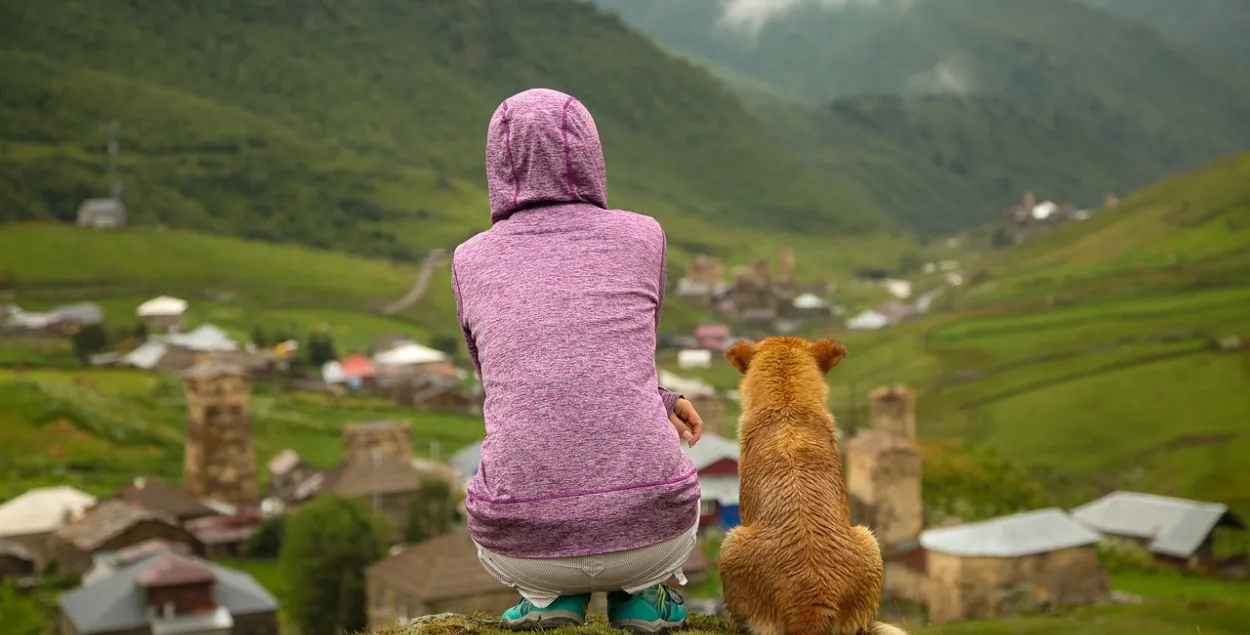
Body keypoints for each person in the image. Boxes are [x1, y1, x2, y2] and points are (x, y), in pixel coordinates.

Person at [450, 87, 706, 633]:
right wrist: (662, 399)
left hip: (521, 541)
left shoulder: (469, 259)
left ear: (498, 161)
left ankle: (548, 599)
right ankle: (640, 595)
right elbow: (619, 354)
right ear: (591, 152)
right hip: (652, 532)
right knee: (657, 482)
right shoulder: (644, 236)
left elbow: (514, 372)